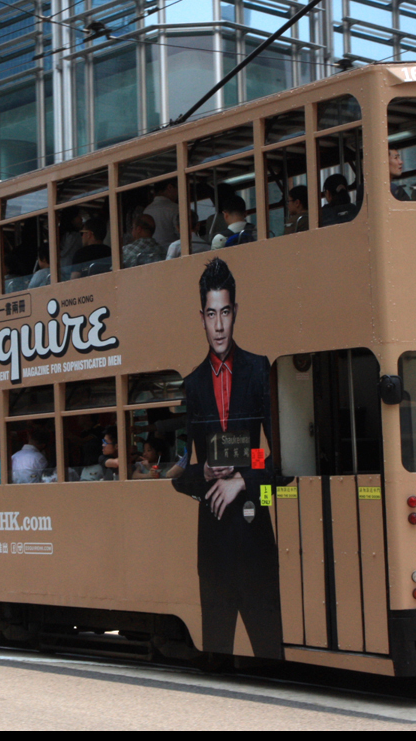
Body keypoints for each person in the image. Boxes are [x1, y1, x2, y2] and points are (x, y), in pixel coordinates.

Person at [172, 257, 288, 659]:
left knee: (270, 655)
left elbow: (285, 458)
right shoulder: (192, 384)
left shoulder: (259, 370)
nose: (219, 326)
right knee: (216, 654)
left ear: (235, 312)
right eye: (211, 314)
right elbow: (177, 474)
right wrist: (203, 471)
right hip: (213, 542)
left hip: (256, 537)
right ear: (201, 318)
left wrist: (242, 480)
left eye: (224, 313)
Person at [142, 178, 181, 247]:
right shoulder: (175, 208)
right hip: (173, 251)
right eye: (178, 188)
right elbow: (182, 234)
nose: (178, 192)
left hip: (153, 251)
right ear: (170, 187)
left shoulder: (146, 210)